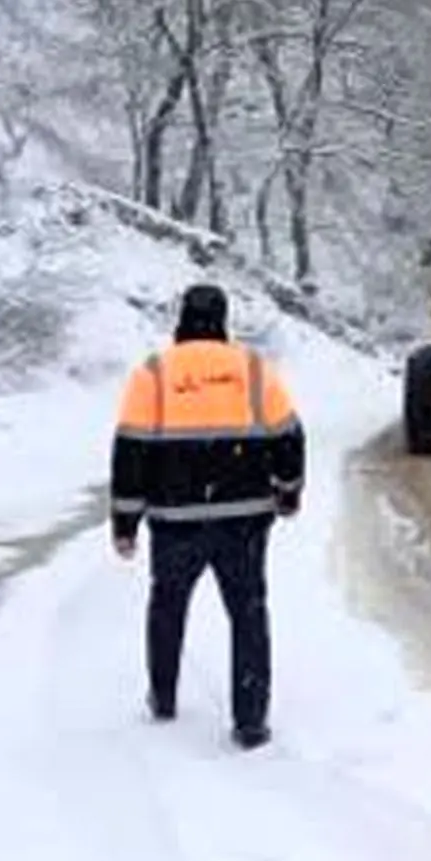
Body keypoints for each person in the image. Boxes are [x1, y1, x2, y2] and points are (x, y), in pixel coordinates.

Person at [109, 283, 305, 750]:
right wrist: (287, 492)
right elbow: (290, 438)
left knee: (167, 605)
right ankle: (251, 722)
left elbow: (130, 453)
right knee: (248, 614)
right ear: (223, 320)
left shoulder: (153, 374)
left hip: (176, 521)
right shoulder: (254, 370)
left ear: (182, 319)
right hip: (244, 521)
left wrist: (125, 524)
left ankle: (163, 696)